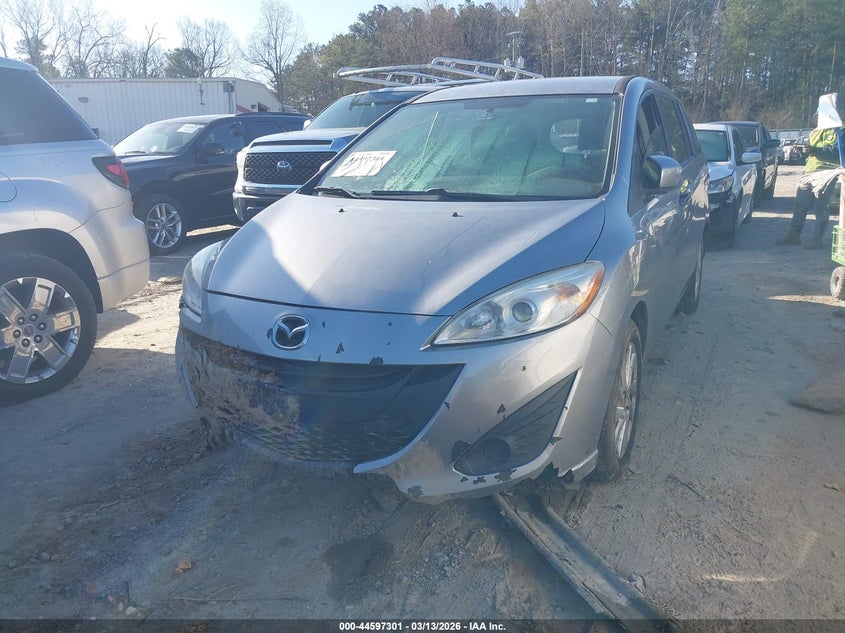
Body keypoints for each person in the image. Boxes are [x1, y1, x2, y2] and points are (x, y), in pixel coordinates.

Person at [777, 123, 845, 248]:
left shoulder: (840, 130)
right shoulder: (815, 132)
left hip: (827, 172)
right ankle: (794, 234)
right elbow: (811, 152)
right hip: (809, 172)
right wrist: (804, 151)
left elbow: (837, 150)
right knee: (800, 205)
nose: (818, 119)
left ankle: (817, 238)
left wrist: (815, 150)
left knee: (820, 206)